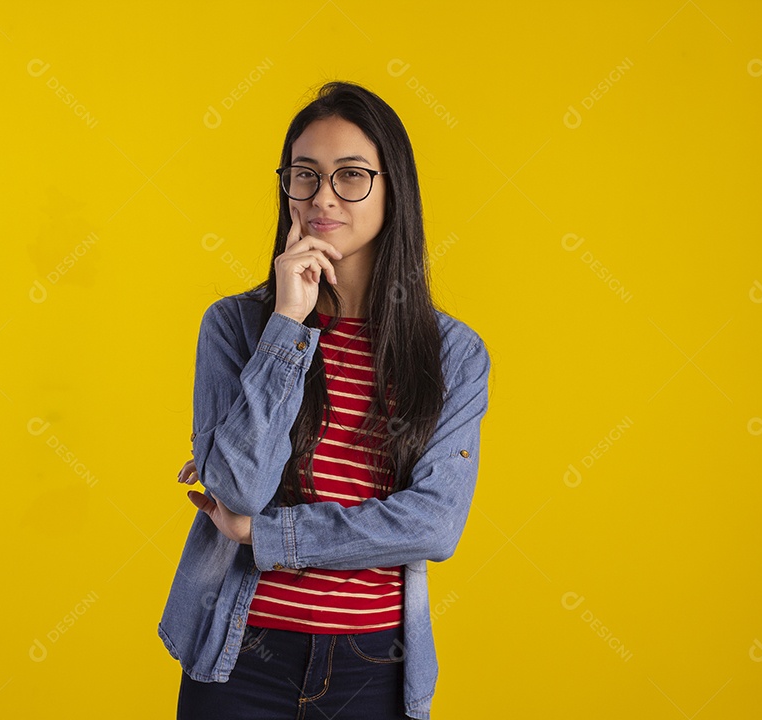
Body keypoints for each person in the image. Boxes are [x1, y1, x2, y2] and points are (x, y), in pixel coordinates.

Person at [158, 80, 491, 720]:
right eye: (304, 175)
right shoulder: (235, 327)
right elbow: (238, 486)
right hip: (241, 654)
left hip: (374, 666)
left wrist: (266, 535)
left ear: (394, 189)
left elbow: (433, 524)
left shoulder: (453, 354)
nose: (323, 197)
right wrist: (288, 323)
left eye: (351, 176)